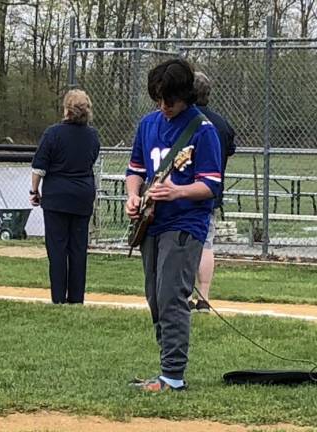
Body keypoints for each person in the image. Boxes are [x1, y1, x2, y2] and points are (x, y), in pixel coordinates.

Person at [125, 59, 222, 391]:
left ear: (187, 96)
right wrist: (133, 196)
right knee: (154, 296)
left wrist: (177, 190)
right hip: (151, 222)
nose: (164, 107)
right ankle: (165, 367)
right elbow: (135, 170)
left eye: (170, 100)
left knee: (171, 296)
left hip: (185, 223)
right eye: (158, 99)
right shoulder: (147, 125)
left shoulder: (202, 130)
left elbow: (210, 184)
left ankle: (173, 375)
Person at [30, 89, 100, 304]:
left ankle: (58, 297)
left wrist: (35, 191)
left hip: (57, 196)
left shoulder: (53, 133)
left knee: (57, 248)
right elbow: (92, 159)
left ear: (66, 109)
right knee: (78, 248)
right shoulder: (92, 135)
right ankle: (77, 298)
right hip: (82, 195)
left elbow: (39, 167)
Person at [190, 72, 236, 313]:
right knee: (206, 243)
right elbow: (229, 150)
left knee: (186, 243)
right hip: (211, 192)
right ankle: (204, 297)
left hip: (186, 191)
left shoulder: (185, 120)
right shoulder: (221, 123)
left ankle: (185, 294)